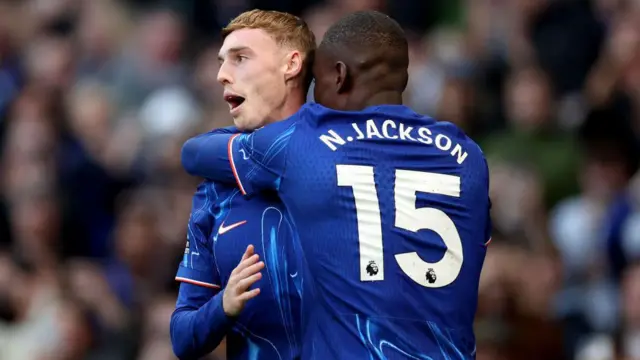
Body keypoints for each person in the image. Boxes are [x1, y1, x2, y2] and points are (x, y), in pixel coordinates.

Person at [182, 10, 491, 359]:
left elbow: (195, 153)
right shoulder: (467, 155)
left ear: (339, 75)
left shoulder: (306, 142)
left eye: (317, 80)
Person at [170, 10, 316, 360]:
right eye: (222, 62)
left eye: (240, 58)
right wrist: (223, 304)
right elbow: (182, 337)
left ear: (291, 64)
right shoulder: (216, 190)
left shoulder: (343, 158)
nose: (221, 75)